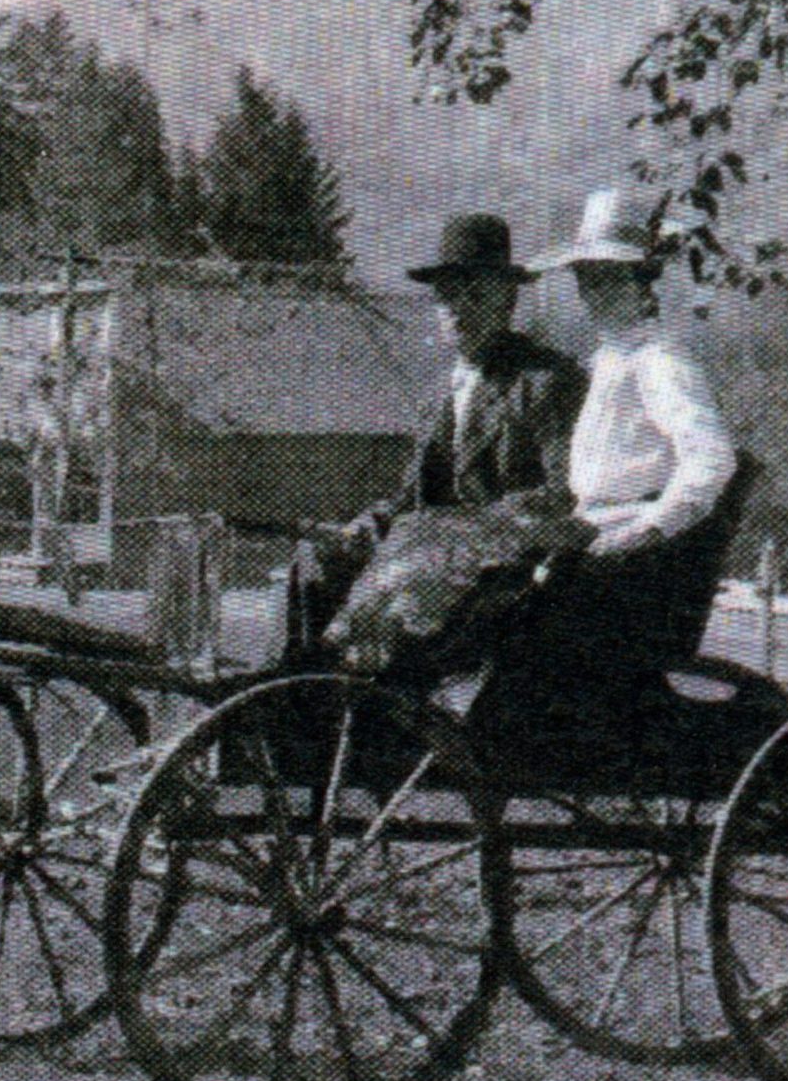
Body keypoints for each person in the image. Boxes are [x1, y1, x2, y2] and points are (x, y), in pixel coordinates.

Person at [483, 187, 741, 741]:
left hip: (623, 553)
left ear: (643, 283)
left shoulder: (660, 362)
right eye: (585, 279)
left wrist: (650, 528)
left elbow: (711, 458)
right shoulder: (608, 360)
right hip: (588, 532)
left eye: (608, 279)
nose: (592, 293)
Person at [290, 212, 587, 652]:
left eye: (476, 295)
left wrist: (456, 528)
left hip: (507, 566)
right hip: (430, 551)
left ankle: (365, 678)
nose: (459, 310)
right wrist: (366, 525)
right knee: (317, 557)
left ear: (507, 301)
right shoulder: (440, 392)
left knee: (399, 584)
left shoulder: (545, 380)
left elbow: (564, 493)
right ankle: (307, 682)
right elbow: (414, 496)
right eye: (447, 296)